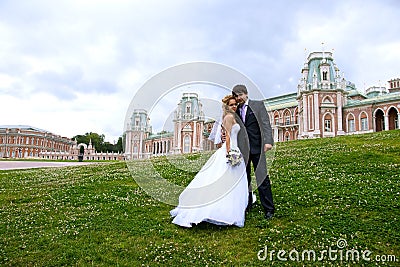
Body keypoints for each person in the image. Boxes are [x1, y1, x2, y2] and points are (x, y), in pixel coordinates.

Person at [170, 95, 248, 227]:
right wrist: (229, 153)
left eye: (235, 104)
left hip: (234, 149)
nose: (234, 106)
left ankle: (228, 208)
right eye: (231, 104)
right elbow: (227, 137)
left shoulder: (232, 117)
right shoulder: (229, 117)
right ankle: (223, 210)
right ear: (226, 106)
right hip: (231, 150)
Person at [232, 84, 275, 220]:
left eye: (240, 95)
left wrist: (268, 142)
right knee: (245, 179)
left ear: (246, 94)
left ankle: (269, 208)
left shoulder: (258, 105)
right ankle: (247, 204)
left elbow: (266, 124)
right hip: (242, 150)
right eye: (236, 96)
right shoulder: (235, 110)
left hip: (258, 148)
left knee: (262, 178)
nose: (238, 98)